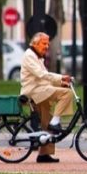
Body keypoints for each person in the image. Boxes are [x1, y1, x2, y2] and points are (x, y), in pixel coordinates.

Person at [21, 33, 74, 163]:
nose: (47, 46)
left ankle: (44, 155)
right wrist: (61, 78)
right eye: (44, 43)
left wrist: (62, 82)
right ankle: (56, 121)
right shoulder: (29, 56)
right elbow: (42, 75)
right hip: (34, 92)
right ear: (35, 44)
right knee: (66, 94)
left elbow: (45, 79)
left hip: (41, 91)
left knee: (46, 123)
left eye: (47, 44)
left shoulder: (38, 57)